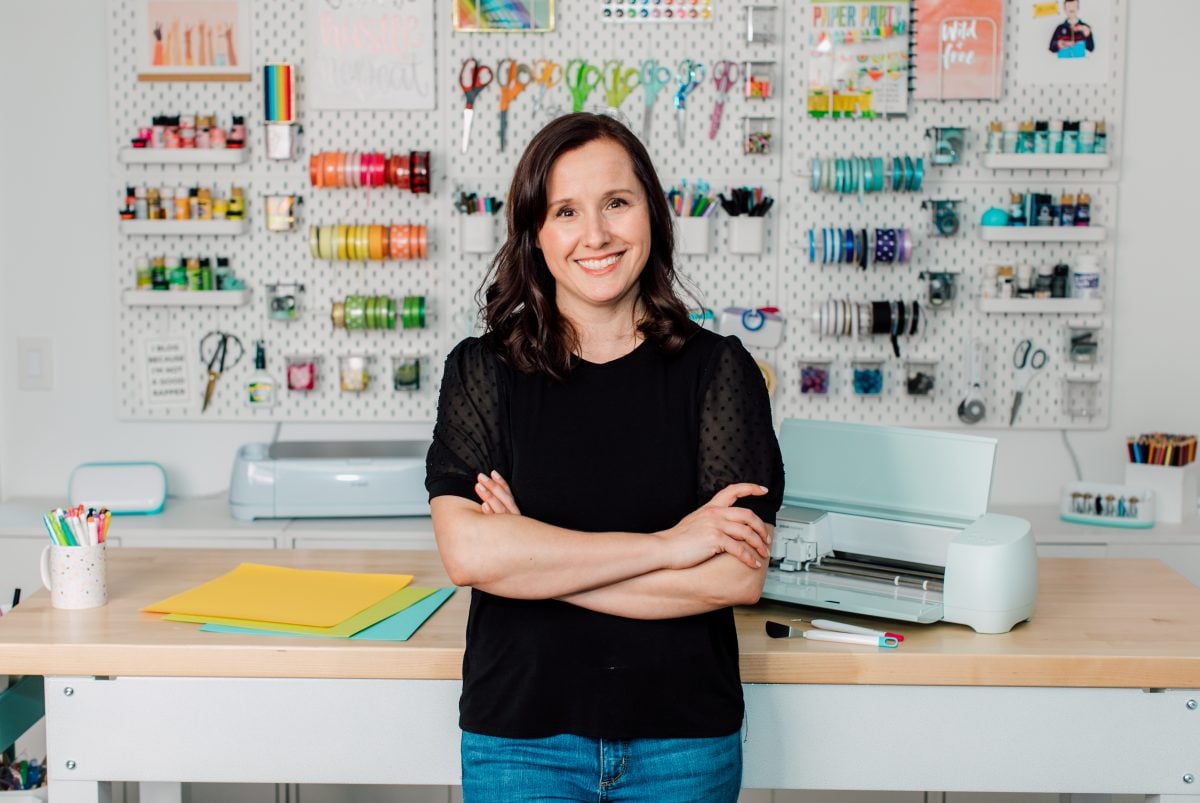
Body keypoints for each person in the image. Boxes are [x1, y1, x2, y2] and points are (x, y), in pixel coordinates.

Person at [425, 112, 784, 802]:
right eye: (566, 211)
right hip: (520, 741)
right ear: (535, 232)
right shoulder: (482, 371)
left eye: (616, 203)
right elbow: (470, 556)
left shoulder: (721, 372)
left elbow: (732, 579)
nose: (596, 235)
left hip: (682, 741)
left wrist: (529, 562)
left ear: (651, 210)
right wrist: (670, 544)